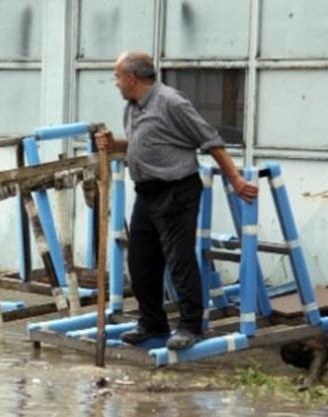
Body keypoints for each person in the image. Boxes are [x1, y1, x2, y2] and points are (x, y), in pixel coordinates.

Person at [94, 51, 258, 351]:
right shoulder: (132, 108)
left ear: (132, 78)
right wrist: (115, 144)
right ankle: (152, 323)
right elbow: (147, 140)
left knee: (179, 259)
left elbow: (210, 140)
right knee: (141, 259)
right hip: (147, 191)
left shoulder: (171, 102)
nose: (116, 83)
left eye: (117, 77)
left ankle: (191, 326)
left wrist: (235, 179)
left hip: (176, 190)